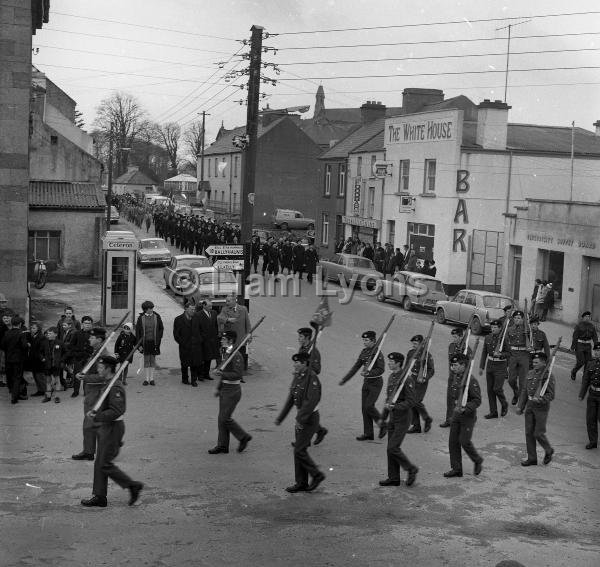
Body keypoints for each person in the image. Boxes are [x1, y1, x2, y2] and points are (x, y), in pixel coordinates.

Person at [80, 355, 144, 507]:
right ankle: (99, 496)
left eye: (101, 368)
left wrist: (98, 415)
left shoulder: (114, 386)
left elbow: (117, 410)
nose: (98, 369)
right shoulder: (107, 383)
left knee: (104, 464)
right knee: (100, 463)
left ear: (108, 369)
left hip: (113, 428)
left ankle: (132, 485)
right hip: (106, 427)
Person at [275, 352, 325, 493]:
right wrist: (281, 417)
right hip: (301, 416)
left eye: (297, 363)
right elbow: (292, 397)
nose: (294, 365)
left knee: (299, 450)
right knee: (298, 450)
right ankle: (301, 482)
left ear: (304, 364)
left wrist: (300, 420)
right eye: (294, 363)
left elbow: (311, 402)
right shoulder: (298, 376)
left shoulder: (312, 378)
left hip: (309, 418)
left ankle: (317, 475)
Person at [378, 352, 419, 487]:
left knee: (393, 447)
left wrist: (396, 406)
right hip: (393, 417)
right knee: (390, 449)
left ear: (398, 363)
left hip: (403, 417)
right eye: (389, 361)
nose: (389, 363)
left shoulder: (406, 379)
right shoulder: (391, 376)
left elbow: (412, 401)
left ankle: (411, 469)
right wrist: (383, 417)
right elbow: (389, 399)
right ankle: (394, 478)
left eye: (391, 361)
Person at [208, 331, 252, 454]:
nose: (221, 340)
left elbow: (238, 374)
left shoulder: (236, 355)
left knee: (224, 418)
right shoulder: (227, 353)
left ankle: (243, 437)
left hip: (233, 391)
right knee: (221, 418)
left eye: (224, 339)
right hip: (225, 389)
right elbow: (224, 371)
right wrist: (219, 387)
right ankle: (222, 445)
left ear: (230, 341)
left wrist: (222, 374)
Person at [339, 330, 385, 441]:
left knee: (369, 406)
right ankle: (368, 433)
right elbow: (356, 366)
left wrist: (369, 373)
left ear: (373, 341)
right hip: (367, 383)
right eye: (363, 340)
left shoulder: (377, 354)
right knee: (364, 409)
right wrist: (345, 379)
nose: (364, 342)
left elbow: (381, 369)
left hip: (376, 383)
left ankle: (383, 425)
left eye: (366, 340)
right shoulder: (364, 352)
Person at [444, 354, 483, 478]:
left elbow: (477, 400)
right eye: (452, 365)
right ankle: (456, 469)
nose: (452, 367)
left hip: (467, 416)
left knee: (464, 441)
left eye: (455, 365)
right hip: (456, 415)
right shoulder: (456, 377)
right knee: (453, 442)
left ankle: (477, 460)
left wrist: (466, 408)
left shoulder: (471, 381)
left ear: (463, 365)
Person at [73, 327, 107, 461]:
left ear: (99, 340)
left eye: (92, 338)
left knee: (95, 424)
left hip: (96, 393)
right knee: (88, 424)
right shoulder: (96, 352)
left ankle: (102, 453)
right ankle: (88, 451)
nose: (89, 339)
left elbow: (103, 376)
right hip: (90, 393)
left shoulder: (103, 355)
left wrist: (84, 378)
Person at [516, 352, 555, 466]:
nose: (534, 364)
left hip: (541, 408)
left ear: (543, 363)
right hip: (530, 405)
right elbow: (524, 390)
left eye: (536, 362)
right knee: (529, 433)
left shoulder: (548, 376)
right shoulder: (530, 373)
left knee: (538, 433)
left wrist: (541, 400)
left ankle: (548, 450)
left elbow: (551, 395)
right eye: (533, 362)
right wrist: (520, 406)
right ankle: (532, 458)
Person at [297, 327, 327, 445]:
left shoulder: (314, 352)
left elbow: (317, 370)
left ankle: (304, 439)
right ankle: (319, 431)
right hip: (302, 382)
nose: (298, 339)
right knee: (305, 412)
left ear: (308, 338)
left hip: (310, 384)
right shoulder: (303, 349)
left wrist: (308, 368)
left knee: (305, 411)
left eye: (301, 337)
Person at [441, 328, 472, 428]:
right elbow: (450, 361)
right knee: (450, 398)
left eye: (455, 337)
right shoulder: (451, 346)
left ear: (461, 336)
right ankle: (449, 419)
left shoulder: (467, 349)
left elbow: (468, 366)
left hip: (461, 378)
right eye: (452, 337)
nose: (453, 339)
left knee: (460, 400)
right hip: (452, 376)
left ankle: (463, 420)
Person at [479, 320, 510, 419]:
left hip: (500, 366)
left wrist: (501, 355)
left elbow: (510, 353)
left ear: (500, 328)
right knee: (490, 390)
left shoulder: (504, 339)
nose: (493, 329)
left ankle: (504, 403)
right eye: (492, 327)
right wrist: (481, 366)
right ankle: (493, 412)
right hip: (490, 366)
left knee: (497, 388)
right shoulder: (488, 337)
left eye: (495, 327)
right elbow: (484, 352)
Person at [405, 334, 435, 434]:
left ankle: (427, 419)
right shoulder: (410, 353)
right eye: (413, 343)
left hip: (421, 381)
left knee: (416, 401)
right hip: (412, 379)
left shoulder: (427, 355)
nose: (413, 345)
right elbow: (406, 366)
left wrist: (425, 378)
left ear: (421, 344)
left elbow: (431, 370)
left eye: (416, 344)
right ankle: (416, 426)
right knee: (412, 403)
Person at [217, 294, 251, 371]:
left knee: (241, 357)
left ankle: (240, 374)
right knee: (229, 356)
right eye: (226, 301)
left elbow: (247, 324)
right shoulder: (225, 309)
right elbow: (219, 318)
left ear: (234, 300)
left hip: (241, 339)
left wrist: (249, 335)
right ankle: (229, 371)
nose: (226, 303)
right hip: (230, 340)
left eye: (228, 301)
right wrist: (227, 320)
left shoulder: (243, 309)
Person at [1, 315, 29, 404]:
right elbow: (24, 346)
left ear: (12, 323)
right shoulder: (21, 333)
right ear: (20, 324)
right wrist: (27, 345)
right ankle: (15, 397)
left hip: (8, 359)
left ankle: (12, 392)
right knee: (17, 377)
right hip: (18, 359)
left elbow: (2, 345)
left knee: (10, 377)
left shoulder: (7, 333)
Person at [135, 300, 164, 386]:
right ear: (145, 309)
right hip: (145, 342)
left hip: (154, 342)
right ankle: (146, 379)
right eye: (150, 308)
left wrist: (159, 338)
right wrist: (139, 345)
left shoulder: (157, 317)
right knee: (146, 360)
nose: (151, 310)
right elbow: (137, 332)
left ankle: (152, 379)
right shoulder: (141, 318)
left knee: (152, 360)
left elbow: (161, 328)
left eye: (152, 308)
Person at [173, 301, 201, 386]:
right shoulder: (178, 319)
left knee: (194, 364)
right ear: (186, 309)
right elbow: (176, 334)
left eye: (194, 309)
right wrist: (182, 343)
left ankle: (194, 380)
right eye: (191, 309)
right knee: (184, 363)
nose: (193, 311)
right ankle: (184, 379)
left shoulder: (196, 318)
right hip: (184, 346)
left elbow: (201, 330)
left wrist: (199, 340)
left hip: (195, 345)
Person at [66, 315, 93, 398]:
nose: (87, 325)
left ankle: (86, 391)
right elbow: (71, 345)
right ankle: (76, 391)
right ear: (82, 324)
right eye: (86, 323)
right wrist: (76, 354)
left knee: (86, 375)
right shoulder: (77, 333)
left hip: (88, 358)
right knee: (77, 375)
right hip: (78, 358)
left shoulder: (93, 334)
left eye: (89, 323)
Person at [579, 343, 600, 450]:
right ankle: (593, 441)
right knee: (591, 419)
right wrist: (581, 394)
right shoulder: (590, 363)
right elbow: (586, 380)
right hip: (592, 394)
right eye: (595, 350)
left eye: (599, 351)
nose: (597, 352)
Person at [193, 297, 220, 382]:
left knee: (209, 358)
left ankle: (206, 374)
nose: (210, 308)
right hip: (203, 341)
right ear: (204, 305)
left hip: (212, 340)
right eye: (209, 306)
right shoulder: (198, 314)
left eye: (211, 306)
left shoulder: (214, 313)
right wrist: (200, 339)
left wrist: (216, 336)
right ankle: (200, 375)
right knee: (202, 359)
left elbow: (215, 326)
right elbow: (196, 329)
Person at [507, 310, 530, 405]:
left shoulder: (527, 329)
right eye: (515, 318)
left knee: (522, 381)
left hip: (523, 355)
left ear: (523, 319)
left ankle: (520, 401)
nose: (517, 320)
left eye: (519, 318)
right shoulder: (509, 329)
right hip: (513, 356)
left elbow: (531, 340)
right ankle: (516, 393)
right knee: (511, 380)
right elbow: (506, 343)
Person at [570, 311, 598, 381]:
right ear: (583, 318)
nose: (587, 318)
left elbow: (595, 337)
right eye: (586, 317)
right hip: (579, 345)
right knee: (581, 362)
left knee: (588, 363)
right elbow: (575, 337)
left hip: (588, 346)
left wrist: (596, 346)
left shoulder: (592, 326)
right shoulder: (579, 325)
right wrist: (573, 347)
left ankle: (585, 377)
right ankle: (574, 371)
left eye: (589, 317)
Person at [27, 322, 48, 397]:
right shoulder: (33, 336)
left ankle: (46, 390)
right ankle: (40, 390)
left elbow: (41, 349)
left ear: (38, 329)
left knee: (40, 376)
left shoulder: (41, 337)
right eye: (31, 328)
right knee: (36, 376)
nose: (31, 330)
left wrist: (42, 358)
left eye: (33, 328)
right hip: (34, 359)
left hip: (39, 360)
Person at [43, 326, 64, 403]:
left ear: (55, 334)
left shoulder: (60, 343)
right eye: (47, 333)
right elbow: (40, 352)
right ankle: (48, 397)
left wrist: (61, 360)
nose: (48, 335)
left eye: (50, 333)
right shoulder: (44, 343)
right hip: (48, 364)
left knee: (57, 380)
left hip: (56, 365)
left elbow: (66, 352)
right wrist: (42, 358)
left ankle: (57, 397)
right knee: (48, 381)